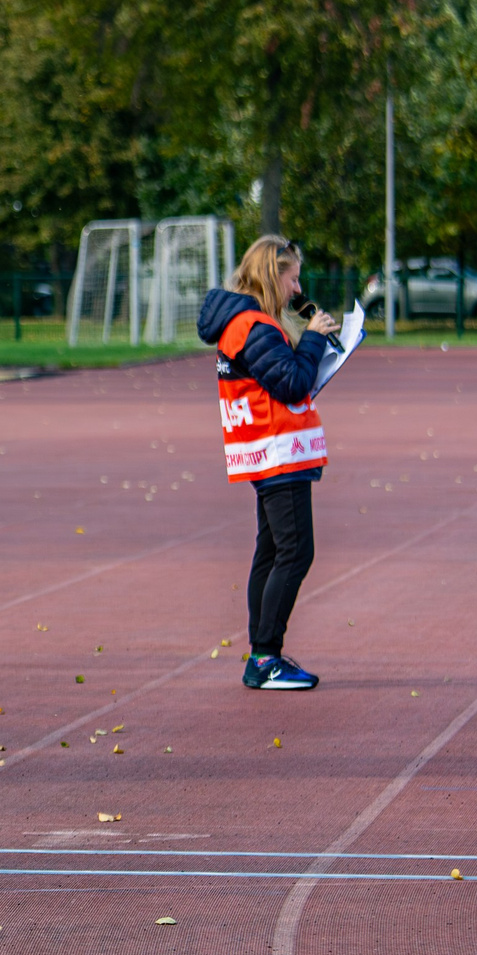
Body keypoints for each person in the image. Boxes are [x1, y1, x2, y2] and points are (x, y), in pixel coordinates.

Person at [197, 235, 343, 692]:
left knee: (273, 549)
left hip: (268, 450)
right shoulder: (253, 325)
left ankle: (264, 653)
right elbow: (292, 383)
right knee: (295, 551)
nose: (297, 289)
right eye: (292, 277)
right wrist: (316, 338)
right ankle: (264, 657)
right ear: (270, 273)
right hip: (277, 451)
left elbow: (283, 377)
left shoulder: (246, 323)